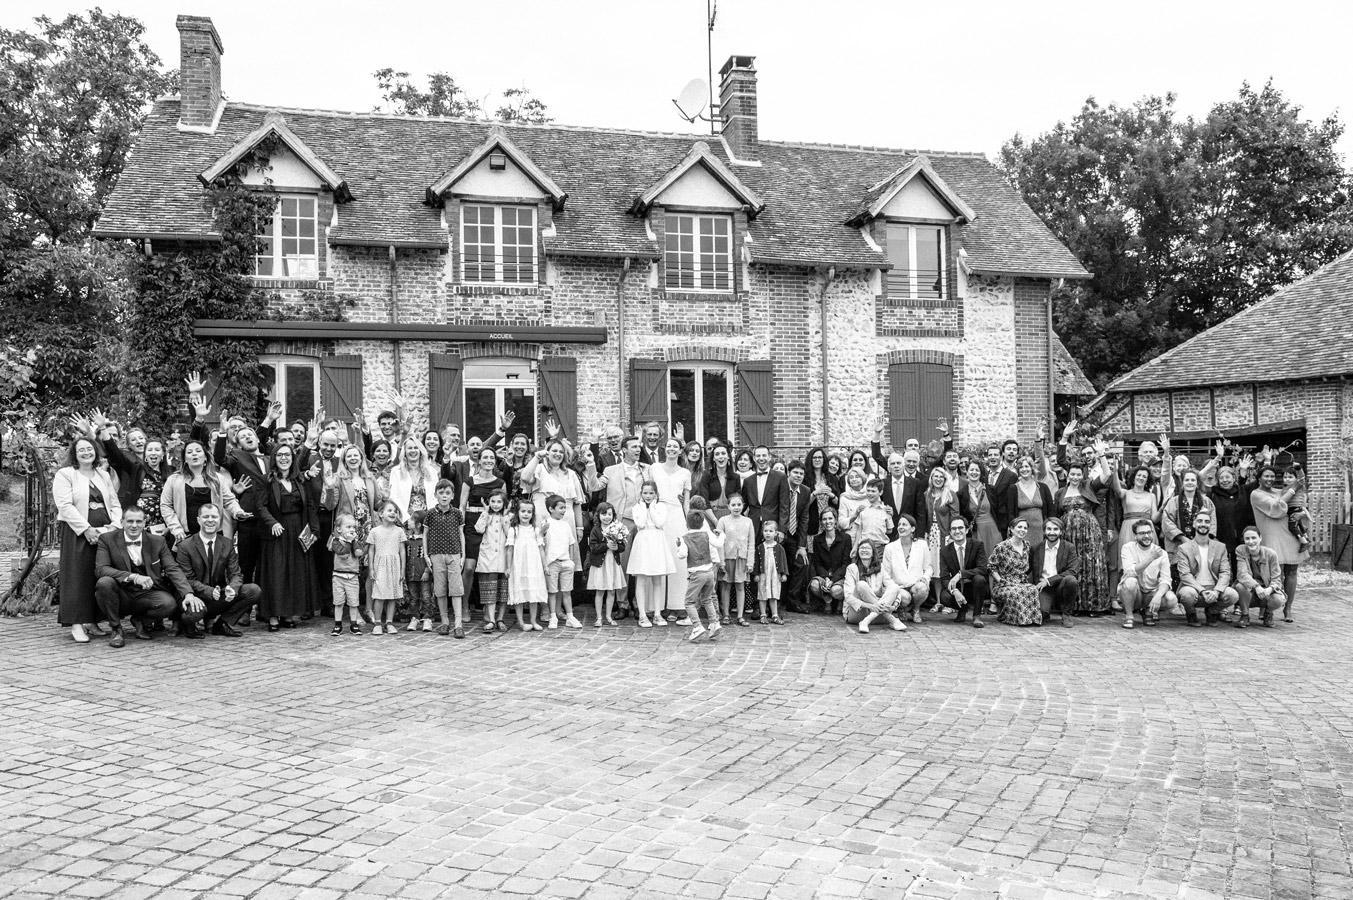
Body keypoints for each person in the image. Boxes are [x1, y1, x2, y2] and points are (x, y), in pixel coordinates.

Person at [53, 435, 123, 643]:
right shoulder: (65, 475)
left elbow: (114, 503)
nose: (86, 453)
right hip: (77, 533)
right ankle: (76, 623)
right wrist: (86, 529)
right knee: (77, 577)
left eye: (89, 449)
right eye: (81, 450)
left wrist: (113, 527)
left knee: (97, 575)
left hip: (104, 533)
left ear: (95, 451)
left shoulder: (102, 474)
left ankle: (93, 620)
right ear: (74, 453)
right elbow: (65, 506)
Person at [94, 506, 194, 646]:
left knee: (169, 604)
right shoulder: (107, 539)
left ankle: (140, 620)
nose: (134, 525)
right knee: (104, 583)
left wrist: (188, 593)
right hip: (121, 593)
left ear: (144, 523)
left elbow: (173, 568)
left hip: (148, 593)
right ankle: (116, 629)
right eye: (130, 521)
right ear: (122, 522)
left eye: (138, 521)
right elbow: (101, 569)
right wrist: (133, 577)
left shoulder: (157, 541)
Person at [255, 443, 319, 632]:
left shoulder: (299, 480)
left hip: (298, 530)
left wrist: (313, 531)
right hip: (277, 531)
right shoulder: (265, 480)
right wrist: (272, 522)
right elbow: (260, 506)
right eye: (279, 455)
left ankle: (288, 613)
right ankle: (273, 616)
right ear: (274, 458)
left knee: (295, 572)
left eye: (288, 455)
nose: (284, 458)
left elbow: (309, 506)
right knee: (276, 573)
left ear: (292, 458)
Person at [174, 503, 259, 638]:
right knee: (194, 613)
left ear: (219, 520)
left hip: (218, 595)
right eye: (206, 517)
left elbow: (236, 573)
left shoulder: (227, 543)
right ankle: (188, 625)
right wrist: (209, 591)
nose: (210, 520)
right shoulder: (185, 546)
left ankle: (222, 624)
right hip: (194, 596)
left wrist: (232, 588)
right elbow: (186, 579)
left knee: (253, 591)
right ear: (198, 520)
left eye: (214, 517)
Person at [161, 440, 246, 547]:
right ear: (185, 459)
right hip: (183, 536)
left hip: (213, 535)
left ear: (205, 457)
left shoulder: (217, 478)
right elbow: (165, 506)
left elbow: (229, 500)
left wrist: (237, 511)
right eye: (190, 452)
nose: (194, 454)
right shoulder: (174, 479)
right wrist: (176, 528)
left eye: (198, 451)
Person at [1249, 465, 1307, 623]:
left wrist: (1302, 512)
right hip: (1272, 536)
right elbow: (1276, 508)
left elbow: (1298, 499)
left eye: (1272, 476)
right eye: (1266, 476)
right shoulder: (1256, 494)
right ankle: (1267, 607)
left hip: (1290, 534)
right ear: (1259, 478)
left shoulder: (1280, 491)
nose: (1269, 479)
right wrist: (1293, 488)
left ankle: (1288, 608)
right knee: (1274, 574)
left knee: (1292, 573)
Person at [1056, 462, 1110, 615]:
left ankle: (1094, 606)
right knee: (1074, 566)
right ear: (1068, 474)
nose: (1075, 477)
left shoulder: (1088, 487)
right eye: (1072, 474)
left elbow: (1106, 475)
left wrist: (1101, 456)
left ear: (1083, 475)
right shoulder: (1060, 492)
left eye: (1078, 474)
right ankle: (1075, 606)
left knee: (1092, 566)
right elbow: (1056, 514)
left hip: (1090, 533)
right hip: (1069, 534)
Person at [651, 437, 693, 622]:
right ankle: (657, 606)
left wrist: (689, 522)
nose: (671, 449)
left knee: (677, 559)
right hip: (658, 512)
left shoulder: (685, 472)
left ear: (680, 450)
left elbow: (686, 501)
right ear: (664, 449)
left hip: (676, 514)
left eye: (675, 447)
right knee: (658, 557)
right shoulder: (654, 468)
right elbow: (648, 493)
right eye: (668, 446)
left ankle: (677, 605)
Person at [1175, 509, 1238, 627]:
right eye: (1199, 521)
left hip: (1214, 588)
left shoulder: (1220, 547)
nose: (1203, 524)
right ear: (1194, 524)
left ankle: (1212, 612)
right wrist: (1202, 590)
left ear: (1211, 525)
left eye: (1206, 521)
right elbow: (1185, 575)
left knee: (1232, 595)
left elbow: (1225, 572)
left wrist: (1217, 590)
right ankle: (1191, 613)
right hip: (1193, 588)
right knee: (1187, 594)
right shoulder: (1184, 548)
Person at [460, 446, 506, 607]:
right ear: (479, 461)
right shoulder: (469, 482)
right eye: (485, 457)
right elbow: (462, 506)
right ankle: (465, 606)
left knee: (490, 568)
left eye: (491, 458)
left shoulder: (500, 483)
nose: (488, 461)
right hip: (472, 524)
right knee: (469, 567)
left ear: (495, 461)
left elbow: (504, 508)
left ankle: (489, 609)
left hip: (493, 526)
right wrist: (461, 528)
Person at [423, 479, 466, 637]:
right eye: (441, 493)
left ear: (453, 495)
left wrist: (463, 555)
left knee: (456, 589)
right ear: (435, 495)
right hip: (436, 554)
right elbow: (425, 535)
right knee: (440, 590)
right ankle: (444, 622)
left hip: (454, 554)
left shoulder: (457, 514)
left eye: (448, 493)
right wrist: (426, 555)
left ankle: (458, 624)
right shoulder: (430, 514)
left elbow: (461, 535)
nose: (444, 496)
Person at [627, 481, 674, 627]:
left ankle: (657, 613)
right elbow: (640, 523)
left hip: (657, 540)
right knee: (641, 578)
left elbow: (660, 522)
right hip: (643, 540)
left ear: (656, 494)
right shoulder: (637, 508)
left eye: (651, 493)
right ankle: (642, 614)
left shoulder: (660, 506)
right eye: (645, 493)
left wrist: (652, 507)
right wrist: (644, 507)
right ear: (641, 494)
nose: (648, 496)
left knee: (657, 578)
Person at [1117, 518, 1175, 629]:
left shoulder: (1162, 553)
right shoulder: (1127, 548)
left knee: (1171, 599)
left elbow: (1166, 579)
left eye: (1149, 532)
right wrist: (1151, 558)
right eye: (1142, 533)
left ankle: (1148, 612)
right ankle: (1129, 616)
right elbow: (1130, 571)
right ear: (1135, 536)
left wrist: (1158, 596)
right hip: (1135, 594)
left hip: (1151, 593)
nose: (1147, 536)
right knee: (1130, 582)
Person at [676, 510, 723, 642]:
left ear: (687, 523)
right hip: (709, 572)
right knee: (707, 599)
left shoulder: (684, 538)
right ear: (702, 523)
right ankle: (714, 623)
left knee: (689, 602)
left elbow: (682, 555)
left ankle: (697, 626)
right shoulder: (707, 534)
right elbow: (719, 544)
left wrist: (679, 547)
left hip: (696, 574)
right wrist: (722, 535)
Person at [842, 540, 906, 633]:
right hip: (857, 614)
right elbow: (848, 597)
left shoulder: (881, 567)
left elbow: (895, 590)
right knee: (861, 584)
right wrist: (871, 606)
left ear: (873, 552)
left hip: (878, 615)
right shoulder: (852, 568)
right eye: (861, 548)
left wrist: (894, 607)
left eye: (867, 548)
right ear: (858, 551)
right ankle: (892, 619)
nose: (864, 550)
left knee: (894, 587)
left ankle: (866, 621)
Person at [938, 517, 989, 628]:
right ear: (950, 532)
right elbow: (944, 577)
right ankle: (962, 610)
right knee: (944, 596)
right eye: (954, 529)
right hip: (959, 588)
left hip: (974, 587)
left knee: (979, 579)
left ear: (966, 530)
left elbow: (982, 569)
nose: (957, 531)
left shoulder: (977, 545)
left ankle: (977, 616)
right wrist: (955, 591)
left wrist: (961, 574)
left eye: (960, 528)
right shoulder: (945, 551)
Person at [920, 467, 961, 603]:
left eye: (941, 477)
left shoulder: (950, 495)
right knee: (934, 567)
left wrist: (952, 534)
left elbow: (955, 516)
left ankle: (950, 601)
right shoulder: (927, 494)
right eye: (935, 476)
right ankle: (938, 601)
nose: (938, 479)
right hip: (931, 535)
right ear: (931, 479)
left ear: (945, 479)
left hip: (945, 534)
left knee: (947, 567)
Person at [506, 497, 548, 630]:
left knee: (533, 593)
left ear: (532, 514)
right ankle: (521, 622)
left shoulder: (535, 530)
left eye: (529, 512)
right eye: (523, 511)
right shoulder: (514, 530)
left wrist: (545, 565)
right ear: (517, 512)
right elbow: (509, 549)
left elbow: (541, 548)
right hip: (519, 565)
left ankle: (533, 621)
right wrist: (508, 567)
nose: (526, 514)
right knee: (520, 593)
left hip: (533, 565)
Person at [991, 519, 1042, 626]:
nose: (1022, 530)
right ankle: (1013, 618)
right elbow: (991, 567)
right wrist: (1000, 580)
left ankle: (1032, 619)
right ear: (1011, 529)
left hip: (1021, 582)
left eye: (1025, 528)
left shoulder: (1027, 546)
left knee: (1033, 589)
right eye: (1019, 527)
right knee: (1017, 592)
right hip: (1004, 583)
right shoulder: (1002, 547)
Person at [881, 514, 930, 624]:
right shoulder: (890, 547)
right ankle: (901, 608)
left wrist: (924, 579)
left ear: (912, 528)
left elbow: (928, 568)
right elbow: (886, 573)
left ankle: (915, 609)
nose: (900, 527)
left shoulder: (922, 545)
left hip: (915, 584)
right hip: (899, 586)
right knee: (905, 598)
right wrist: (893, 588)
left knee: (922, 588)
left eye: (904, 524)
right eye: (899, 525)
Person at [365, 500, 406, 635]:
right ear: (381, 514)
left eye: (395, 511)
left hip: (394, 565)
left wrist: (402, 569)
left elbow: (402, 551)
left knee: (392, 596)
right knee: (379, 595)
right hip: (380, 565)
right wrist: (371, 568)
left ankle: (389, 622)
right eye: (389, 510)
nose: (393, 513)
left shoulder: (399, 531)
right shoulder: (375, 531)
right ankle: (377, 622)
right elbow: (371, 550)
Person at [543, 493, 583, 629]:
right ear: (551, 509)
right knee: (552, 591)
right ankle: (552, 616)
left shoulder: (566, 525)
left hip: (565, 562)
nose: (563, 510)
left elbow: (571, 543)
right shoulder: (546, 524)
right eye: (560, 508)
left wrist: (571, 561)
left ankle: (570, 616)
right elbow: (541, 542)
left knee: (566, 591)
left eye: (564, 507)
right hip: (552, 562)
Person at [1028, 517, 1077, 628]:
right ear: (1044, 531)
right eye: (1049, 529)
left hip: (1061, 584)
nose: (1052, 532)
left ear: (1061, 532)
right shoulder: (1036, 548)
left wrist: (1048, 581)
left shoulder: (1069, 547)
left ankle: (1067, 614)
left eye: (1055, 529)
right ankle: (1046, 611)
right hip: (1043, 588)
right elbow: (1027, 568)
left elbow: (1072, 571)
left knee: (1071, 580)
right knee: (1041, 615)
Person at [474, 490, 511, 633]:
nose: (496, 505)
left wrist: (506, 518)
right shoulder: (486, 516)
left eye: (499, 502)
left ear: (504, 503)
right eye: (493, 501)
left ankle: (500, 618)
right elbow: (478, 529)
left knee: (502, 591)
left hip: (503, 558)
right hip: (488, 558)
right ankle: (490, 619)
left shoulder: (508, 517)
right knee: (489, 590)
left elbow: (509, 534)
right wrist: (485, 513)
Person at [1234, 526, 1286, 628]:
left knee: (1278, 600)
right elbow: (1242, 574)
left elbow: (1277, 578)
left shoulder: (1271, 554)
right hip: (1250, 592)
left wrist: (1269, 589)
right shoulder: (1241, 550)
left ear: (1260, 538)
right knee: (1240, 586)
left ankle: (1268, 614)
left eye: (1254, 538)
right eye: (1247, 539)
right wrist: (1256, 586)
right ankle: (1245, 615)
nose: (1251, 541)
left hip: (1266, 592)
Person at [586, 501, 626, 627]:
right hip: (600, 565)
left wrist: (616, 547)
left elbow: (623, 546)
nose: (607, 517)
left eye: (609, 514)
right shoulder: (595, 530)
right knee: (600, 591)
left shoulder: (617, 529)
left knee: (611, 591)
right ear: (598, 515)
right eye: (604, 514)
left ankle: (608, 616)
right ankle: (599, 617)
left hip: (612, 563)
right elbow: (592, 547)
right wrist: (606, 546)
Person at [717, 493, 754, 626]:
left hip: (742, 559)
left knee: (740, 586)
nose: (736, 507)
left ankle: (740, 615)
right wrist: (721, 561)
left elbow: (751, 543)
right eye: (733, 505)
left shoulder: (748, 521)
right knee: (726, 586)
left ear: (743, 506)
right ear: (728, 506)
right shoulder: (723, 521)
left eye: (739, 505)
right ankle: (726, 614)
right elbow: (719, 542)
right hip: (728, 558)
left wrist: (750, 562)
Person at [782, 461, 814, 612]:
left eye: (801, 474)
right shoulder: (781, 486)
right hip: (780, 533)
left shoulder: (806, 491)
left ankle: (792, 601)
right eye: (795, 473)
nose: (798, 476)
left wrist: (802, 546)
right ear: (789, 473)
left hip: (794, 535)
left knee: (801, 562)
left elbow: (804, 518)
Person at [958, 460, 1002, 570]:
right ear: (966, 472)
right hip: (975, 532)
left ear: (981, 472)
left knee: (995, 562)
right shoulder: (961, 493)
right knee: (979, 563)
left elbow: (999, 510)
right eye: (971, 470)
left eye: (977, 470)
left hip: (992, 530)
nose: (974, 472)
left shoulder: (991, 490)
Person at [327, 513, 365, 635]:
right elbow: (343, 555)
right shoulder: (336, 541)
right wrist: (348, 542)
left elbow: (359, 553)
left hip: (352, 576)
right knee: (338, 602)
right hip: (339, 577)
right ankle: (338, 625)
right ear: (339, 529)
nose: (352, 530)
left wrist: (354, 542)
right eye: (348, 527)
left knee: (354, 602)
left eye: (353, 527)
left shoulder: (354, 541)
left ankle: (354, 625)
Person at [741, 445, 791, 539]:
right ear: (754, 458)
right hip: (753, 528)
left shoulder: (780, 477)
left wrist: (781, 529)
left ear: (769, 457)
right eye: (758, 456)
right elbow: (743, 505)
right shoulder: (748, 481)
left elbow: (785, 506)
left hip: (773, 528)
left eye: (764, 455)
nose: (761, 458)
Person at [808, 508, 852, 615]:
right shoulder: (817, 539)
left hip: (840, 576)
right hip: (824, 576)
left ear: (836, 520)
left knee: (836, 591)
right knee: (814, 585)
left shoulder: (845, 538)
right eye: (824, 519)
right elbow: (817, 563)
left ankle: (840, 601)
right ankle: (828, 601)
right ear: (821, 522)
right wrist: (826, 577)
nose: (828, 522)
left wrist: (833, 580)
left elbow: (845, 563)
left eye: (830, 518)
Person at [1003, 456, 1054, 540]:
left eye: (1027, 466)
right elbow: (1010, 512)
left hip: (1040, 530)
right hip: (1022, 531)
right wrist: (1015, 530)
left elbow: (1051, 510)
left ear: (1032, 468)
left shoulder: (1043, 487)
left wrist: (1050, 527)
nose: (1024, 469)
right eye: (1021, 467)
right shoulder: (1013, 489)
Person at [880, 451, 923, 540]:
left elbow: (920, 511)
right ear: (888, 468)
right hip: (890, 533)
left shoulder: (915, 483)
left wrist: (919, 535)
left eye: (899, 463)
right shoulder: (883, 484)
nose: (896, 466)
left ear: (903, 466)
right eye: (893, 464)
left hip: (910, 532)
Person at [752, 519, 788, 624]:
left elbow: (783, 561)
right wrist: (756, 573)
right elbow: (757, 561)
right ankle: (763, 615)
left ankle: (775, 615)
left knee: (774, 594)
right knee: (763, 594)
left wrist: (784, 573)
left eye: (771, 531)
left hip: (775, 574)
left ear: (776, 533)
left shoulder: (779, 548)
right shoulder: (760, 547)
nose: (768, 533)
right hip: (764, 574)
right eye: (766, 531)